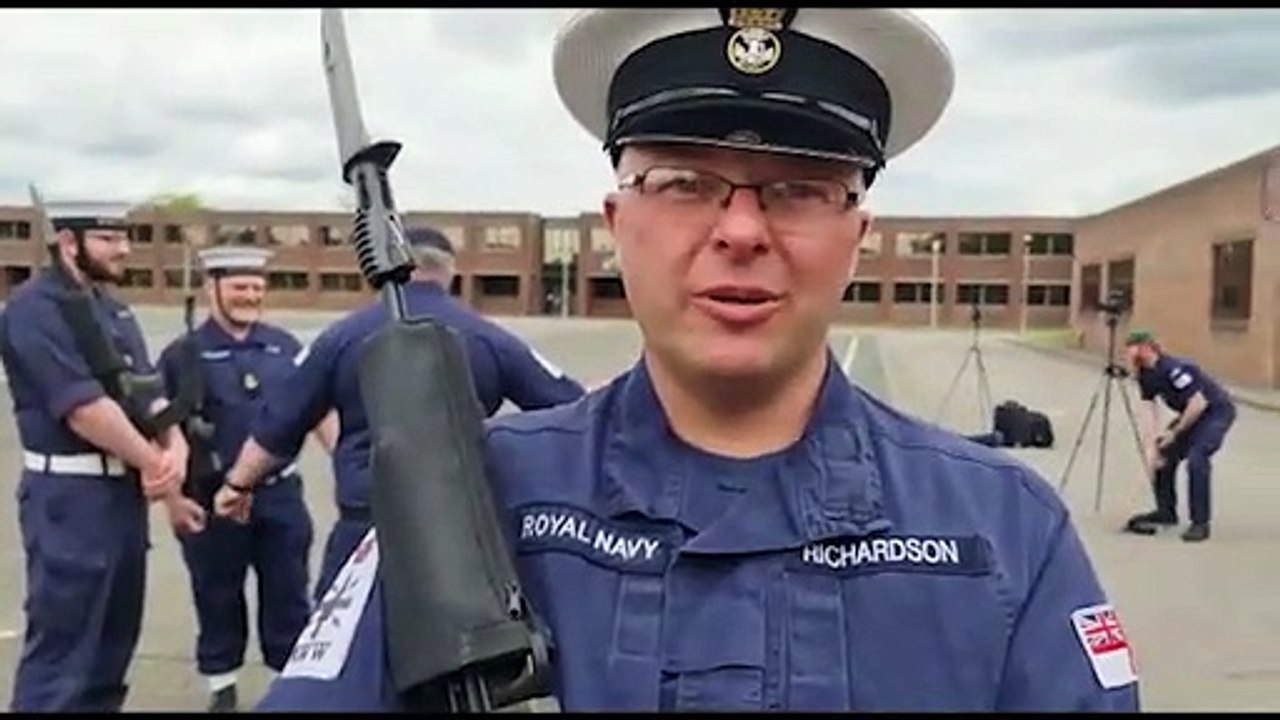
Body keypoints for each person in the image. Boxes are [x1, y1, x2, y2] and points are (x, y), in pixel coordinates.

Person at [245, 7, 1141, 712]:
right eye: (682, 183)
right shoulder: (469, 504)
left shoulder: (1004, 532)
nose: (742, 230)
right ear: (616, 225)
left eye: (798, 188)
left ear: (858, 236)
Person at [214, 225, 587, 599]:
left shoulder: (341, 338)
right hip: (459, 536)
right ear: (449, 273)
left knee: (346, 649)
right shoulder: (491, 339)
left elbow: (279, 423)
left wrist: (237, 485)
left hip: (367, 529)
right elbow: (571, 409)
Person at [1, 196, 206, 712]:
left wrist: (174, 443)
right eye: (109, 239)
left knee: (111, 651)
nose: (125, 249)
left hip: (120, 495)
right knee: (66, 652)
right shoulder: (34, 309)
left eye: (124, 237)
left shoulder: (111, 307)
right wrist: (154, 462)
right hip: (71, 499)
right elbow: (85, 410)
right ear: (68, 243)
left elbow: (146, 391)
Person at [156, 245, 338, 712]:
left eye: (257, 287)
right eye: (239, 286)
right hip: (212, 498)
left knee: (288, 592)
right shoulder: (183, 355)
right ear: (211, 288)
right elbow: (164, 430)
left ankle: (289, 685)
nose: (250, 296)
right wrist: (173, 500)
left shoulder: (284, 347)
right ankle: (222, 686)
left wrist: (348, 462)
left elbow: (316, 412)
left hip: (278, 497)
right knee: (217, 594)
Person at [1122, 329, 1237, 542]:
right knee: (1164, 455)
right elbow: (1149, 410)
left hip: (1215, 411)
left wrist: (1174, 433)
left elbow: (1198, 403)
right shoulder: (1145, 374)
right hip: (1191, 414)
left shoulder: (1175, 369)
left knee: (1197, 459)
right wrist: (1152, 447)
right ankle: (1166, 512)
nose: (1127, 354)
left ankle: (1200, 523)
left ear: (1146, 347)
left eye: (1131, 348)